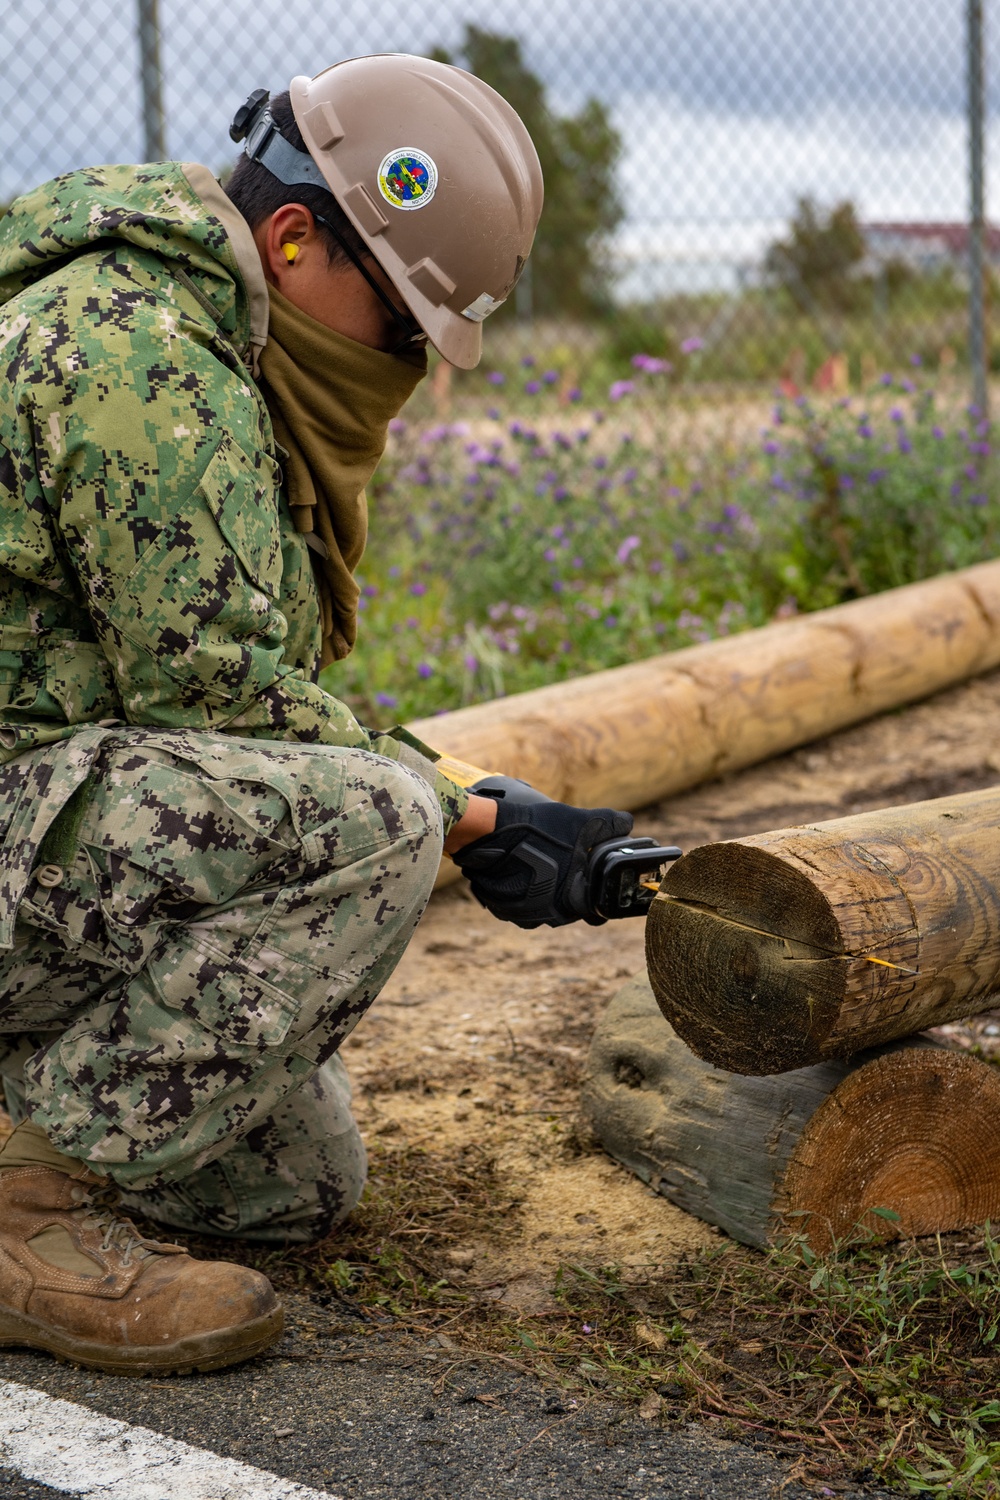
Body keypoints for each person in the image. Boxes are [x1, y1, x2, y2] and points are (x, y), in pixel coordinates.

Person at [0, 53, 633, 1376]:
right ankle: (22, 1213)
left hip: (33, 828)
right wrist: (467, 810)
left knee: (294, 1184)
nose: (405, 366)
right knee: (379, 824)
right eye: (402, 326)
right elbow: (219, 699)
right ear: (292, 241)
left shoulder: (212, 347)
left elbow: (215, 712)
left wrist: (475, 804)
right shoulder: (137, 355)